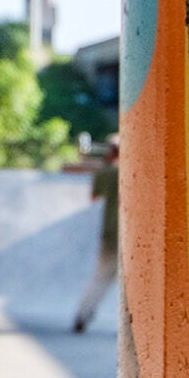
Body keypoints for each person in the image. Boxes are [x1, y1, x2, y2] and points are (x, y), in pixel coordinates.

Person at [75, 140, 120, 333]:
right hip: (130, 235)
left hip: (109, 233)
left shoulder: (105, 173)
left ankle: (83, 314)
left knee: (101, 277)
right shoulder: (132, 170)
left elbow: (94, 197)